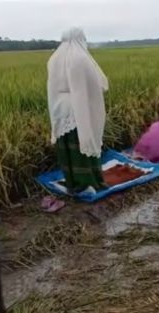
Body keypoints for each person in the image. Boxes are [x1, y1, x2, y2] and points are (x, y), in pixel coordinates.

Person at [47, 27, 109, 194]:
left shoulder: (54, 58)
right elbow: (93, 85)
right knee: (84, 141)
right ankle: (88, 182)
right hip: (77, 108)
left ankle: (72, 182)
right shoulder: (80, 58)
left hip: (59, 107)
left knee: (66, 145)